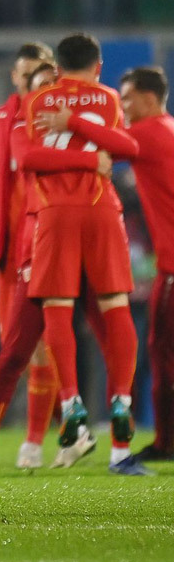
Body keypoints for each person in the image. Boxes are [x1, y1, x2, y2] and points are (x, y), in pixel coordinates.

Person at [0, 62, 116, 474]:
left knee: (108, 338)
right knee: (15, 351)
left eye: (53, 85)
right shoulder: (15, 126)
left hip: (79, 241)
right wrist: (91, 160)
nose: (49, 93)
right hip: (35, 244)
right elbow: (26, 160)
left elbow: (116, 150)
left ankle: (99, 437)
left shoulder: (73, 124)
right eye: (40, 85)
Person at [21, 33, 149, 476]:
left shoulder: (38, 102)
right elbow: (127, 149)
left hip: (55, 215)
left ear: (56, 68)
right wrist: (87, 153)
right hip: (102, 211)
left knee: (57, 311)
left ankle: (72, 401)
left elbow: (29, 159)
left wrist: (67, 126)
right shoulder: (110, 98)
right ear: (97, 67)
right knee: (116, 308)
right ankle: (122, 404)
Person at [0, 43, 62, 469]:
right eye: (24, 76)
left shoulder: (52, 122)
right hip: (7, 251)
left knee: (41, 346)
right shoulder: (0, 121)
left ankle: (35, 441)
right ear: (14, 76)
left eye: (36, 77)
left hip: (49, 242)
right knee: (15, 346)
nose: (28, 83)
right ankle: (55, 429)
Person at [119, 67, 174, 462]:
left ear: (150, 99)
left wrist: (69, 119)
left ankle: (166, 443)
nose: (122, 107)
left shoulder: (147, 132)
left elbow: (101, 146)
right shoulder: (169, 129)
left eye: (127, 99)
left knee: (161, 352)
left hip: (172, 267)